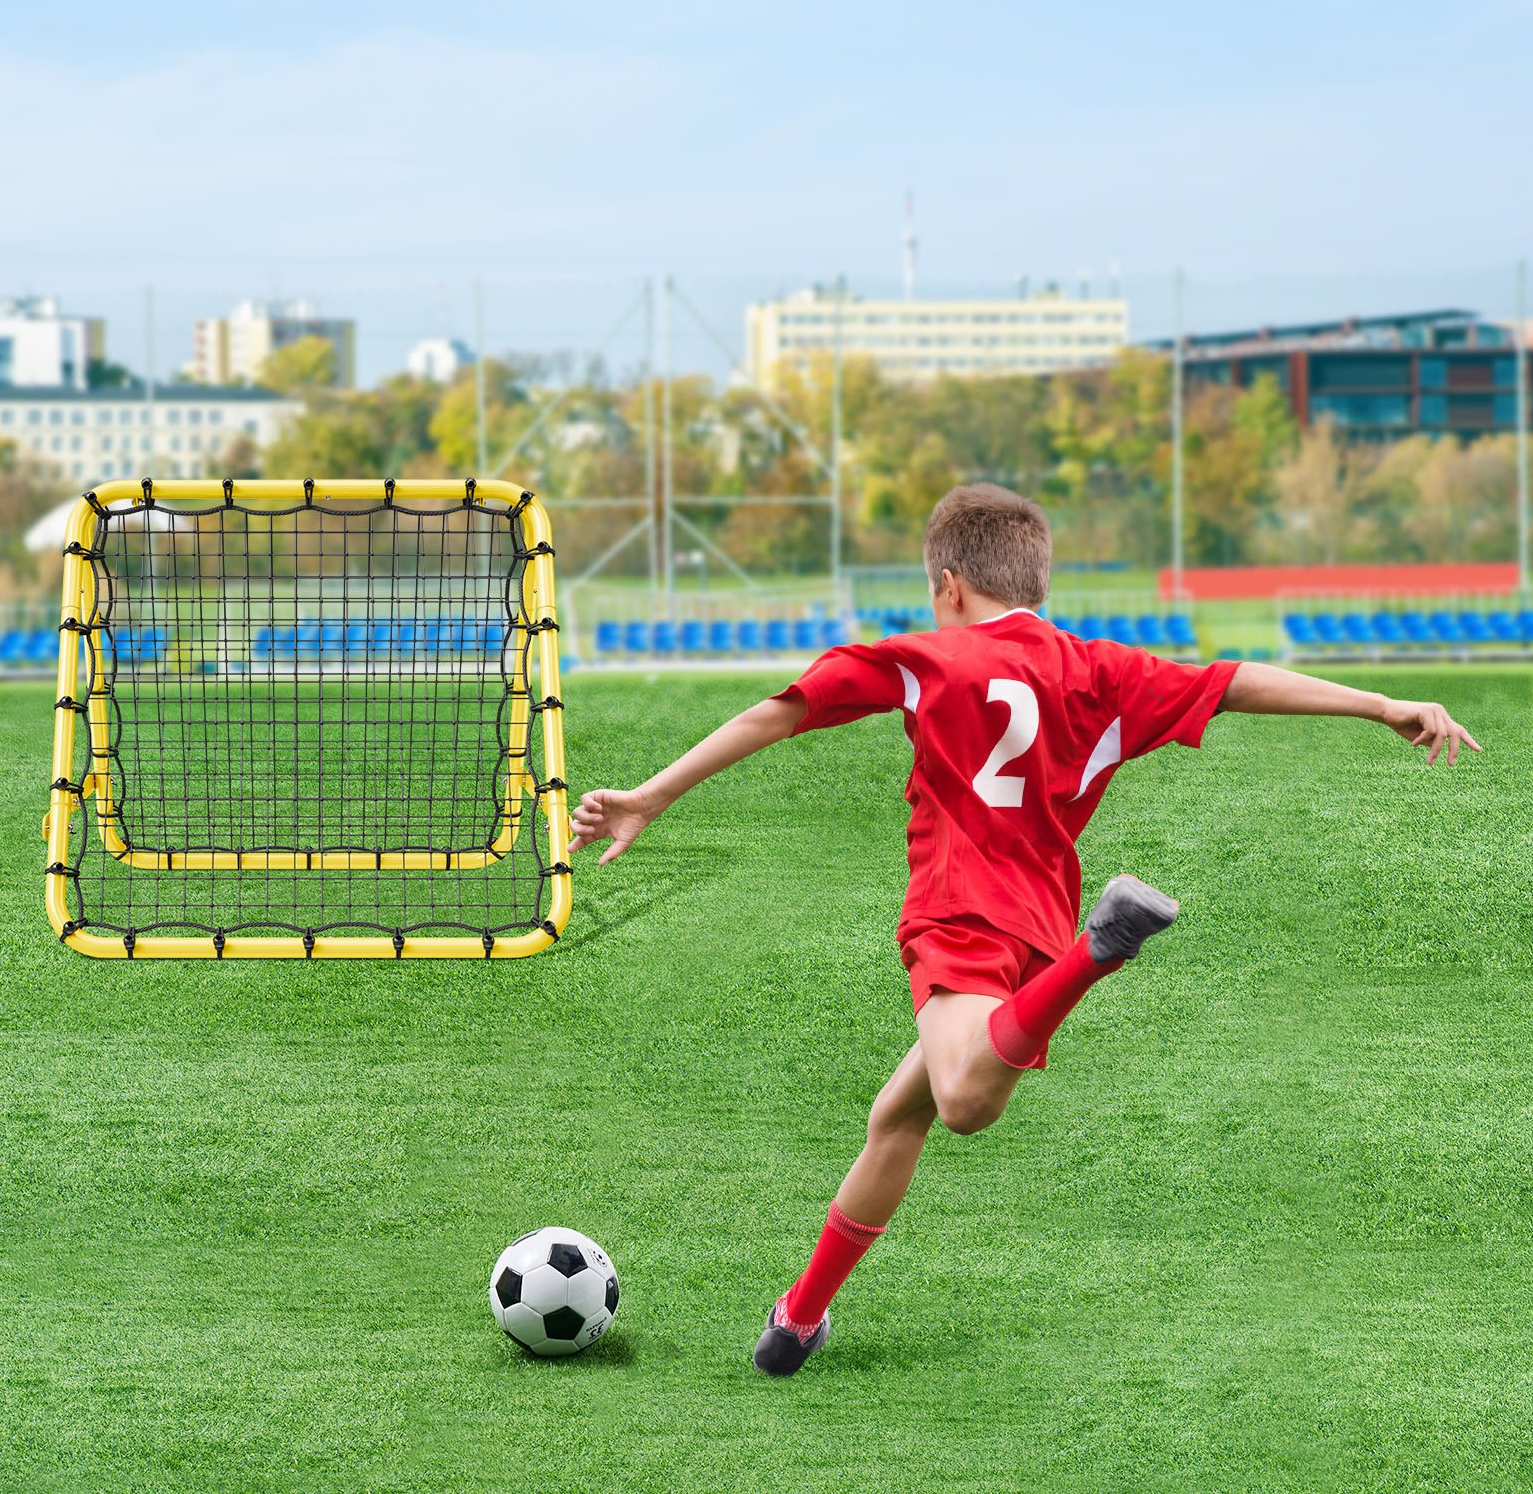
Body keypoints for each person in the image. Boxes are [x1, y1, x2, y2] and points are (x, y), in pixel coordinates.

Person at [569, 483, 1480, 1376]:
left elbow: (781, 711)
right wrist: (1379, 705)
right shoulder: (1104, 669)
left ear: (948, 585)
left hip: (961, 911)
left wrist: (654, 794)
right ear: (1036, 582)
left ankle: (1103, 948)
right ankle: (800, 1317)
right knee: (901, 1115)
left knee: (963, 1101)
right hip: (1030, 923)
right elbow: (1236, 681)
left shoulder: (925, 658)